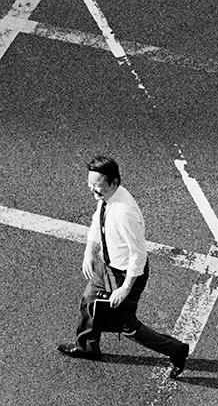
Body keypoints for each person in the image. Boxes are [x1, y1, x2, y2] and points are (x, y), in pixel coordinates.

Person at [57, 155, 190, 378]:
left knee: (127, 327)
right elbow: (96, 222)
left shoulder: (124, 213)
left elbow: (138, 254)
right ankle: (87, 348)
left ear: (114, 183)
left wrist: (125, 288)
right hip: (106, 266)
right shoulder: (107, 197)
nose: (93, 192)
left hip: (125, 274)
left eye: (97, 187)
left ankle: (176, 350)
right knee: (88, 303)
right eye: (90, 185)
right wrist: (89, 250)